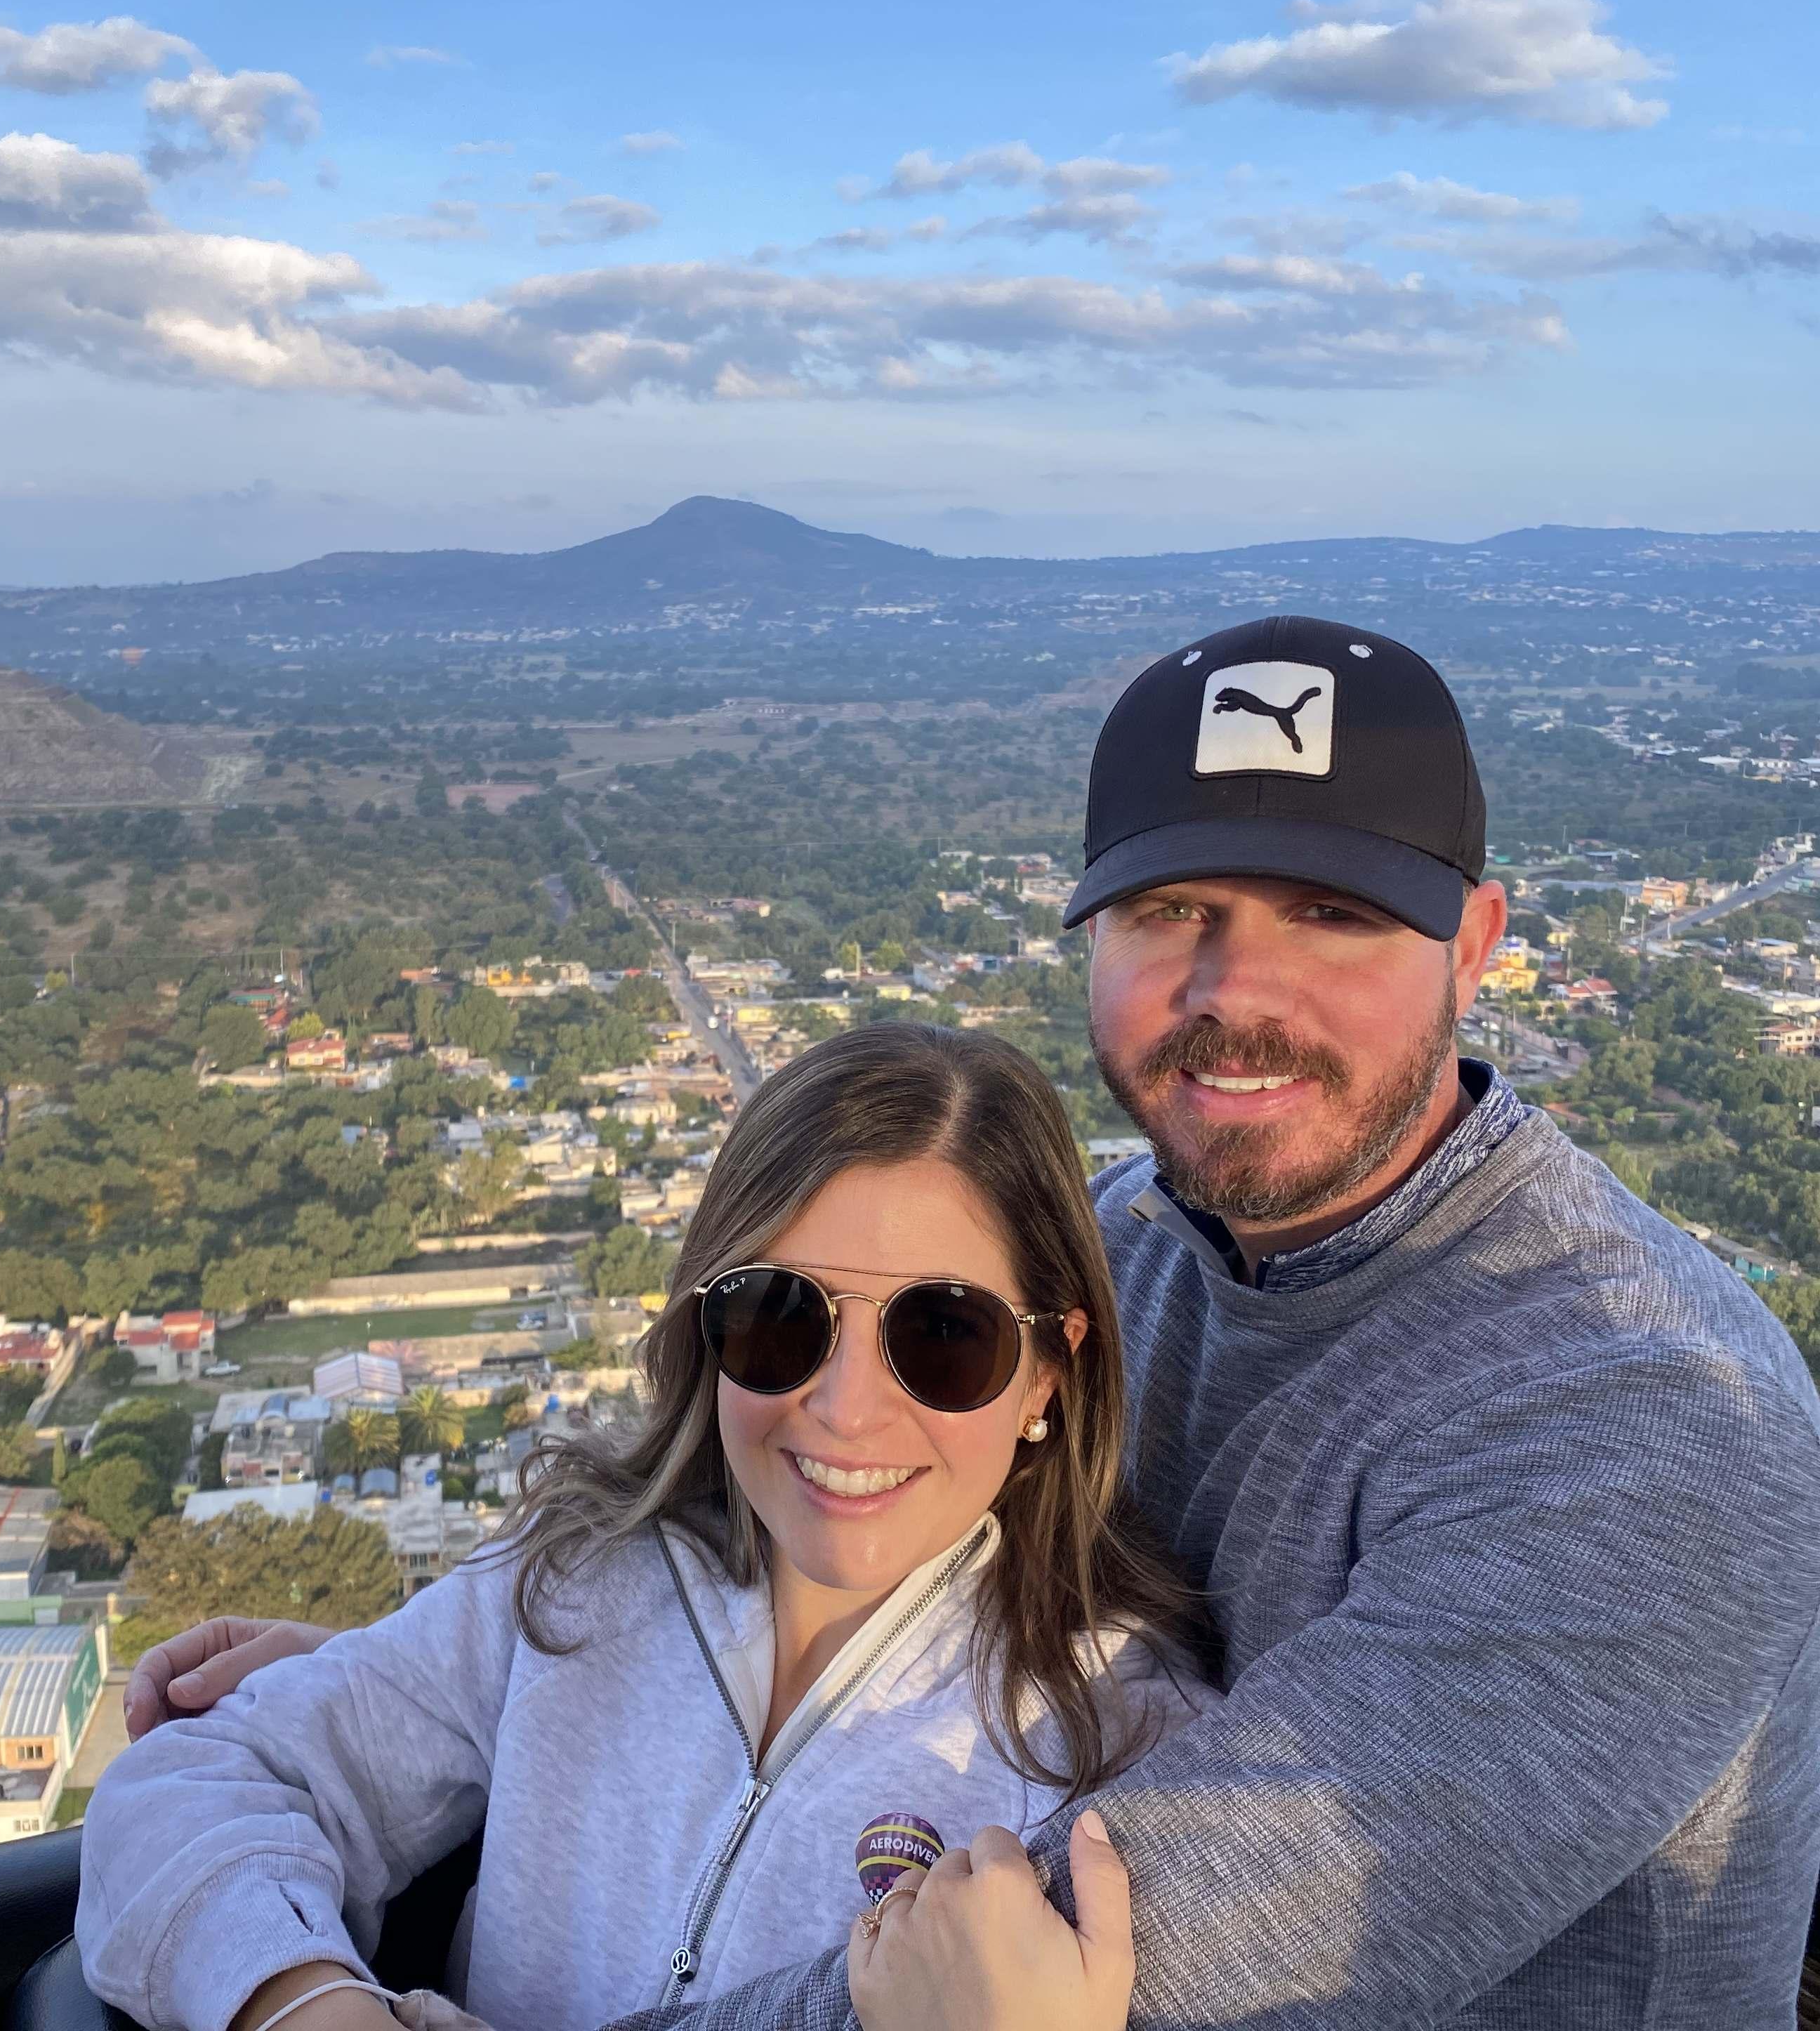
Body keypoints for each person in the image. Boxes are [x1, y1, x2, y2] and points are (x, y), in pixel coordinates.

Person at [131, 614, 1820, 2028]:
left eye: (1335, 915)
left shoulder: (1641, 1419)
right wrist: (468, 1680)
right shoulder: (1120, 1229)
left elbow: (1060, 1977)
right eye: (1176, 914)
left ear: (1480, 941)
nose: (1240, 990)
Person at [78, 1023, 1211, 2031]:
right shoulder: (572, 1582)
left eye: (944, 1336)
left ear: (1049, 1376)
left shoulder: (1115, 1746)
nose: (847, 1407)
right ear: (705, 1324)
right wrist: (304, 2003)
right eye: (781, 1317)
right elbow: (191, 1783)